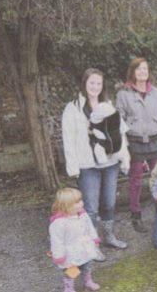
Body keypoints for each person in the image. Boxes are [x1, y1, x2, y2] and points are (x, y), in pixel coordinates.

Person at [61, 69, 130, 260]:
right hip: (87, 164)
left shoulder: (107, 105)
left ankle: (109, 236)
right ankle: (91, 244)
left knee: (109, 202)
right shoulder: (72, 108)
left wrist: (124, 157)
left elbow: (120, 133)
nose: (95, 87)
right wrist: (73, 167)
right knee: (91, 207)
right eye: (92, 83)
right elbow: (68, 138)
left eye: (98, 83)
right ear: (84, 84)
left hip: (110, 162)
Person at [116, 57, 157, 234]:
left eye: (145, 69)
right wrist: (123, 147)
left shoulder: (156, 93)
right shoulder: (123, 94)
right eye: (138, 69)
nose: (142, 72)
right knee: (136, 180)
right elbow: (119, 121)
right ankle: (136, 213)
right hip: (135, 141)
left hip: (155, 140)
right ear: (133, 72)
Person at [49, 188, 104, 291]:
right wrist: (59, 256)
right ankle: (69, 288)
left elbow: (89, 227)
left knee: (87, 266)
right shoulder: (59, 223)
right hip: (70, 253)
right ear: (66, 205)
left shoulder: (82, 214)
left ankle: (88, 281)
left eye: (81, 200)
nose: (81, 203)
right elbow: (57, 241)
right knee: (71, 271)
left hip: (85, 248)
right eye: (77, 202)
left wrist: (94, 239)